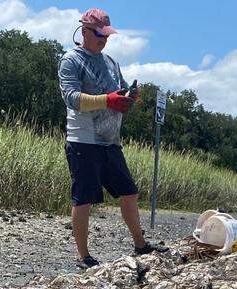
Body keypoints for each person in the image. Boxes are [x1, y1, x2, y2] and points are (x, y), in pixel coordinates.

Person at [58, 8, 164, 270]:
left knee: (129, 192)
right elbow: (72, 98)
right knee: (84, 199)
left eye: (106, 35)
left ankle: (140, 244)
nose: (103, 39)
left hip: (110, 140)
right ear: (84, 31)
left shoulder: (111, 62)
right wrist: (108, 99)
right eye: (98, 34)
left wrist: (130, 96)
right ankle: (83, 256)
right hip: (83, 140)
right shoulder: (71, 60)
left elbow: (121, 88)